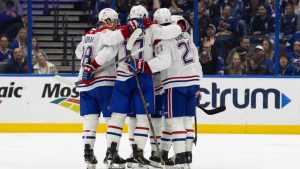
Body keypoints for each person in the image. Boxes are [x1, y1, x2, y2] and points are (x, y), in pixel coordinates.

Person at [105, 5, 183, 169]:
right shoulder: (152, 29)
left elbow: (108, 41)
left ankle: (111, 152)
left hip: (123, 78)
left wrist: (126, 30)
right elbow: (173, 34)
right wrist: (182, 25)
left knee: (117, 116)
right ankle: (138, 154)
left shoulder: (123, 29)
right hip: (144, 79)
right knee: (142, 118)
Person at [130, 8, 202, 168]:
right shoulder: (187, 36)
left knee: (173, 122)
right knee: (185, 120)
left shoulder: (161, 38)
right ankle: (186, 156)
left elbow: (164, 61)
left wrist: (143, 65)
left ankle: (179, 158)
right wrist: (198, 85)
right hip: (192, 81)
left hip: (173, 83)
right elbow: (197, 61)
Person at [75, 8, 140, 169]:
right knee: (112, 119)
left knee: (90, 120)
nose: (116, 25)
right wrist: (93, 65)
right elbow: (110, 50)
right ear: (109, 21)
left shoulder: (88, 34)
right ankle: (112, 154)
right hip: (104, 82)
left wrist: (88, 66)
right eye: (115, 22)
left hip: (85, 84)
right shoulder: (106, 33)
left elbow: (78, 53)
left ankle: (88, 153)